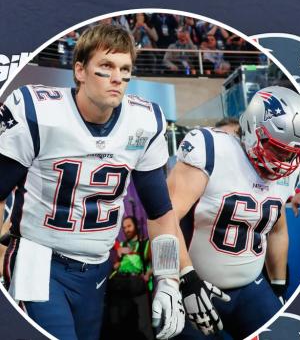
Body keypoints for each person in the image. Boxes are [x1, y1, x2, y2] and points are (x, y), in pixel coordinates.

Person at [0, 24, 194, 340]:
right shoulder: (38, 111)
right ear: (80, 70)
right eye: (106, 66)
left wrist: (168, 279)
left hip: (98, 268)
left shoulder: (144, 122)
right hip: (39, 260)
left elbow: (160, 215)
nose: (117, 77)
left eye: (125, 69)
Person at [167, 86, 300, 338]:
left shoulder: (289, 173)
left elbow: (277, 230)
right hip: (194, 284)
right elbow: (165, 217)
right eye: (278, 150)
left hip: (251, 289)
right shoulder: (212, 149)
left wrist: (278, 287)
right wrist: (185, 278)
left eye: (293, 154)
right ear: (254, 130)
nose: (285, 163)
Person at [103, 216, 154, 340]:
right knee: (120, 324)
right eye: (124, 227)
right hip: (121, 287)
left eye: (129, 226)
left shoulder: (144, 244)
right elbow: (115, 266)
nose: (126, 229)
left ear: (136, 226)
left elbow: (156, 263)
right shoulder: (121, 245)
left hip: (139, 288)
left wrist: (147, 275)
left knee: (143, 325)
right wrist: (117, 259)